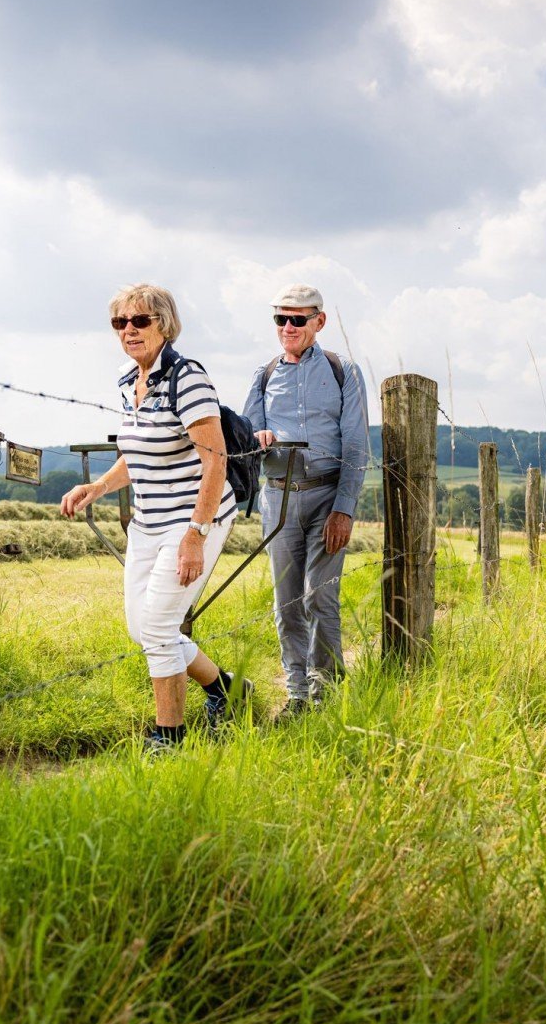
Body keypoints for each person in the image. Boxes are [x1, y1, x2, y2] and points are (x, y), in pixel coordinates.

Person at [60, 283, 252, 753]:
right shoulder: (129, 382)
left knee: (161, 630)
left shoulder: (188, 378)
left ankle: (169, 738)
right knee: (141, 629)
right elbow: (137, 454)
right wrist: (98, 487)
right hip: (147, 522)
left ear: (164, 325)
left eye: (140, 321)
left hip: (193, 519)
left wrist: (195, 534)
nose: (129, 330)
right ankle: (227, 690)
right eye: (120, 323)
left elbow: (216, 461)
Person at [242, 283, 369, 715]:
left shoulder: (343, 371)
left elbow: (355, 444)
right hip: (278, 499)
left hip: (327, 496)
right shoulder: (263, 374)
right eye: (281, 318)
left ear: (320, 321)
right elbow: (245, 435)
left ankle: (326, 693)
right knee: (287, 602)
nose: (289, 327)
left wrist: (344, 508)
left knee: (320, 597)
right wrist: (256, 437)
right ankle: (297, 695)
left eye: (298, 319)